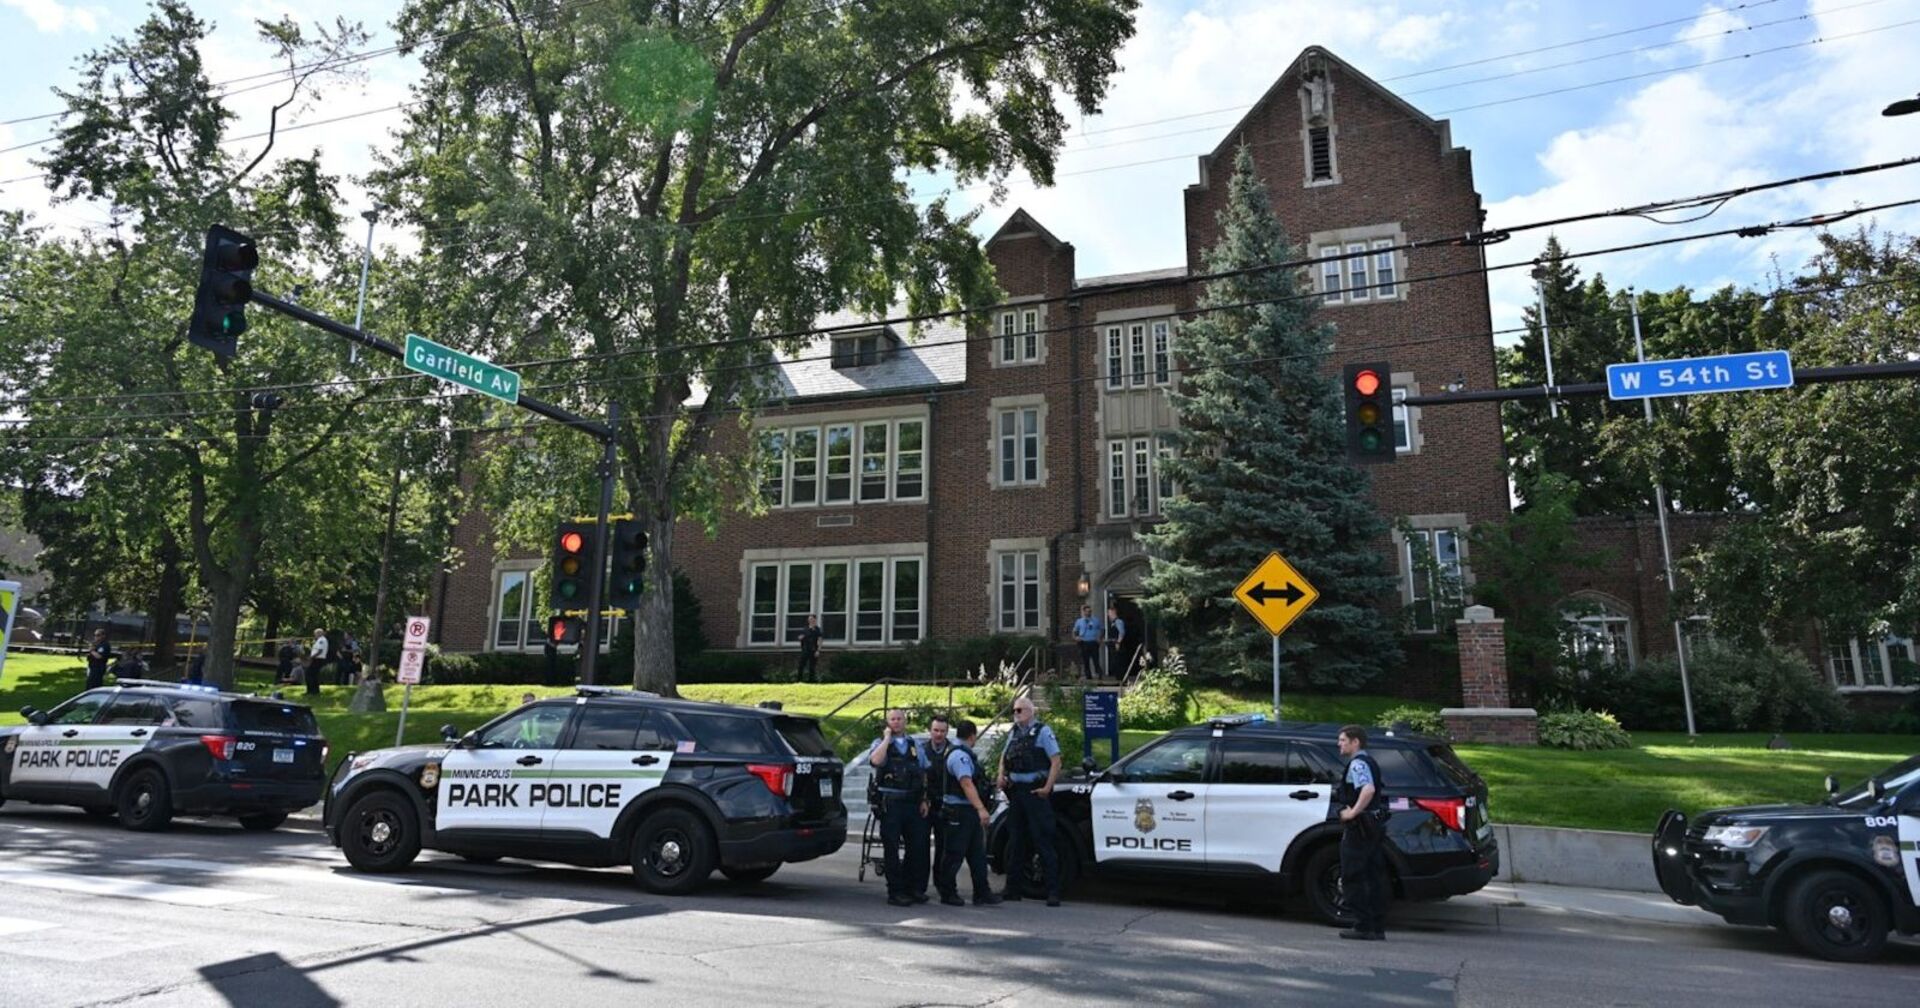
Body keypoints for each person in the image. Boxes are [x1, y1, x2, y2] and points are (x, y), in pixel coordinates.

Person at [997, 697, 1063, 906]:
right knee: (1015, 840)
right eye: (1014, 710)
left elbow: (1056, 761)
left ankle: (1053, 891)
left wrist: (1047, 788)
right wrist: (1001, 776)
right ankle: (1012, 889)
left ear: (1030, 711)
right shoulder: (1014, 733)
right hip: (1016, 792)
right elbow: (1004, 757)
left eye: (1019, 710)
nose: (1016, 714)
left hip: (1035, 792)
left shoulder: (1043, 732)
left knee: (1042, 840)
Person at [865, 708, 931, 907]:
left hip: (912, 802)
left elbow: (924, 772)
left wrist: (924, 799)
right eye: (892, 719)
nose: (896, 722)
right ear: (888, 722)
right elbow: (876, 761)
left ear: (905, 721)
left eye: (899, 719)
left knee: (916, 847)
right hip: (890, 804)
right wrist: (887, 739)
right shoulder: (880, 743)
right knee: (891, 848)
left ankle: (912, 888)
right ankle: (895, 891)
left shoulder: (914, 745)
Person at [935, 719, 1002, 907]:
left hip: (967, 810)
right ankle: (948, 892)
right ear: (973, 736)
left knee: (977, 855)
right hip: (959, 811)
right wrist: (981, 808)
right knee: (954, 854)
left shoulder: (961, 753)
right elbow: (966, 783)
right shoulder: (959, 756)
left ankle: (982, 892)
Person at [1335, 724, 1391, 941]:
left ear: (1355, 742)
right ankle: (1376, 926)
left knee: (1352, 875)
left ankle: (1364, 926)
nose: (1339, 744)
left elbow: (1368, 790)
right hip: (1373, 826)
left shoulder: (1358, 764)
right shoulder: (1370, 761)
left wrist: (1352, 813)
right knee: (1374, 875)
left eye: (1343, 740)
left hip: (1360, 828)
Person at [923, 715, 955, 879]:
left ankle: (942, 882)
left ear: (947, 732)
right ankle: (919, 885)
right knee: (921, 847)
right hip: (925, 805)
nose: (939, 734)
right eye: (935, 730)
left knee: (944, 847)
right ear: (930, 731)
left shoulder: (954, 751)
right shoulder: (921, 750)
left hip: (945, 805)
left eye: (942, 731)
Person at [1072, 605, 1102, 679]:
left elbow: (1102, 629)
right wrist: (1076, 637)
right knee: (1086, 660)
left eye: (1090, 611)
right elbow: (1074, 631)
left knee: (1095, 659)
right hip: (1084, 642)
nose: (1088, 613)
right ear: (1084, 612)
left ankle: (1099, 673)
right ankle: (1088, 675)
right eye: (1087, 611)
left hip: (1093, 642)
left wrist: (1100, 638)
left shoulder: (1096, 620)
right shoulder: (1079, 621)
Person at [793, 615, 824, 680]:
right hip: (805, 650)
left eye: (812, 619)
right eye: (809, 619)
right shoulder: (805, 629)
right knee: (801, 665)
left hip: (813, 650)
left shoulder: (817, 630)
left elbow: (820, 640)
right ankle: (799, 680)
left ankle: (811, 680)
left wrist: (818, 650)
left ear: (815, 620)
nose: (810, 621)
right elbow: (800, 637)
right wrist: (800, 638)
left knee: (812, 667)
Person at [303, 628, 329, 696]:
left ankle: (311, 691)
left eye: (315, 634)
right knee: (314, 675)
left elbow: (320, 651)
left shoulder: (322, 640)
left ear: (319, 633)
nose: (315, 635)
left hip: (318, 659)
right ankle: (315, 691)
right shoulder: (320, 640)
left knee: (309, 674)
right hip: (317, 659)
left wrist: (311, 657)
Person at [1105, 604, 1126, 676]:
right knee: (1114, 660)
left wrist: (1118, 642)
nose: (1108, 615)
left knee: (1118, 660)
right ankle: (1117, 675)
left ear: (1114, 612)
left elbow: (1121, 632)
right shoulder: (1112, 623)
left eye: (1109, 613)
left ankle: (1120, 676)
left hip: (1117, 644)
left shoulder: (1118, 621)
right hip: (1113, 644)